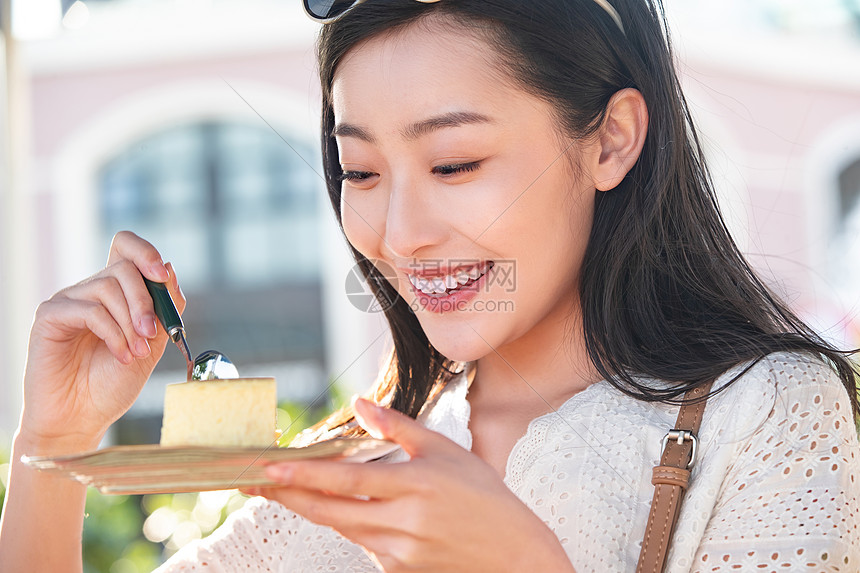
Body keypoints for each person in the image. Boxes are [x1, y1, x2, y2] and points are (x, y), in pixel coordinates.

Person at [1, 0, 859, 571]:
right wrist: (54, 443)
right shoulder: (353, 470)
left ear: (611, 140)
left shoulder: (771, 412)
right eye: (361, 170)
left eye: (455, 162)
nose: (400, 232)